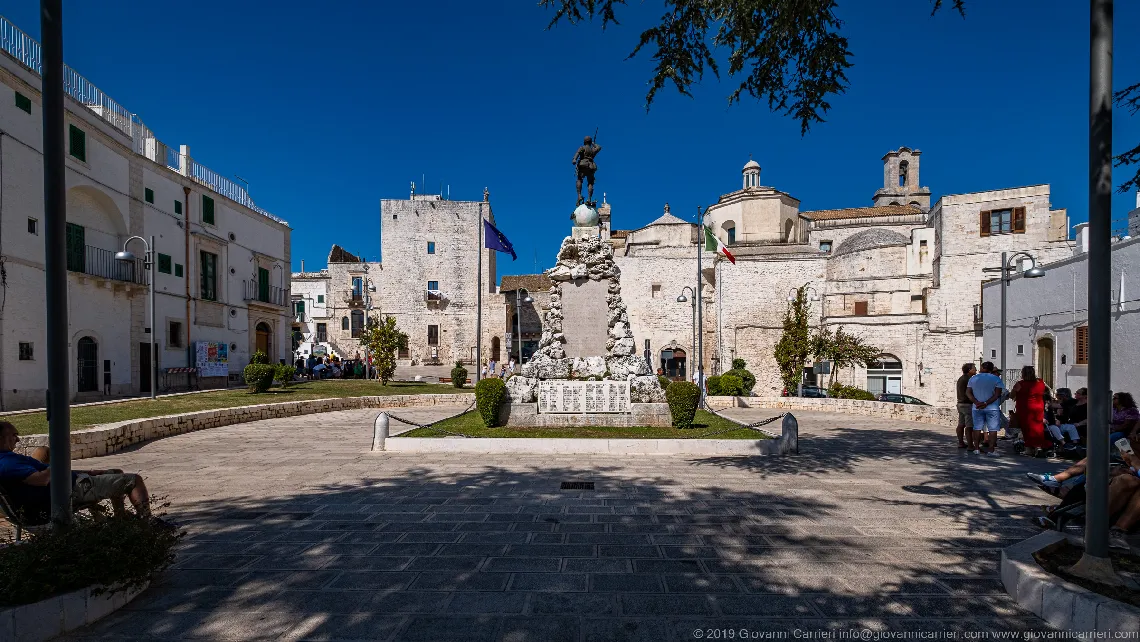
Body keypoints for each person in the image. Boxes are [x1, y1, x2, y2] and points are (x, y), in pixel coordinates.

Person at [0, 422, 153, 523]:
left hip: (67, 485)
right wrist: (58, 463)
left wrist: (90, 472)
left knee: (116, 472)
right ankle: (147, 523)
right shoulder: (8, 463)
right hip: (70, 491)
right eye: (13, 435)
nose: (18, 439)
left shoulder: (8, 459)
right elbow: (41, 480)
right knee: (134, 481)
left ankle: (120, 519)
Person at [966, 361, 1005, 455]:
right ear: (991, 369)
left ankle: (976, 449)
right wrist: (986, 403)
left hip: (977, 407)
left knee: (977, 427)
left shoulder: (973, 378)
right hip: (992, 407)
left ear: (982, 368)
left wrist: (976, 402)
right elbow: (997, 394)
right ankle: (991, 450)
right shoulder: (996, 379)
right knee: (993, 429)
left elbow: (968, 392)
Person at [1012, 365, 1049, 454]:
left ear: (1023, 374)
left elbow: (1012, 395)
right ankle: (1037, 447)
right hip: (1038, 408)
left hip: (1025, 408)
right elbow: (1043, 392)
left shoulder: (1020, 384)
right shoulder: (1040, 382)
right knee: (1037, 427)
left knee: (1026, 428)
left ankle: (1031, 448)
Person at [956, 363, 977, 449]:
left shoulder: (961, 378)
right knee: (969, 426)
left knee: (961, 424)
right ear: (969, 370)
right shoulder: (969, 379)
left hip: (960, 403)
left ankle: (961, 442)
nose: (975, 369)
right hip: (967, 404)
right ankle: (970, 445)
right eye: (974, 368)